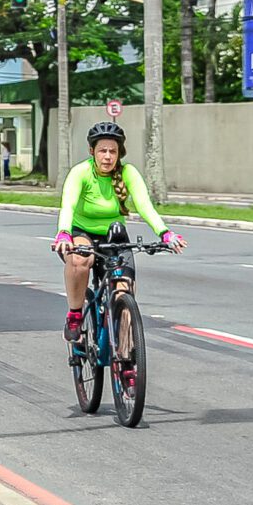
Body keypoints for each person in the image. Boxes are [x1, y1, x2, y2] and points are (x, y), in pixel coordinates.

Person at [51, 122, 185, 342]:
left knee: (124, 294)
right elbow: (68, 205)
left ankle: (124, 358)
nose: (107, 157)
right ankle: (75, 314)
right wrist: (64, 233)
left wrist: (165, 233)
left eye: (112, 151)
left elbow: (144, 206)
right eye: (102, 150)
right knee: (79, 261)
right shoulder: (81, 172)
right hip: (82, 231)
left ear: (119, 153)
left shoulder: (128, 173)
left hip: (115, 236)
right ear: (91, 151)